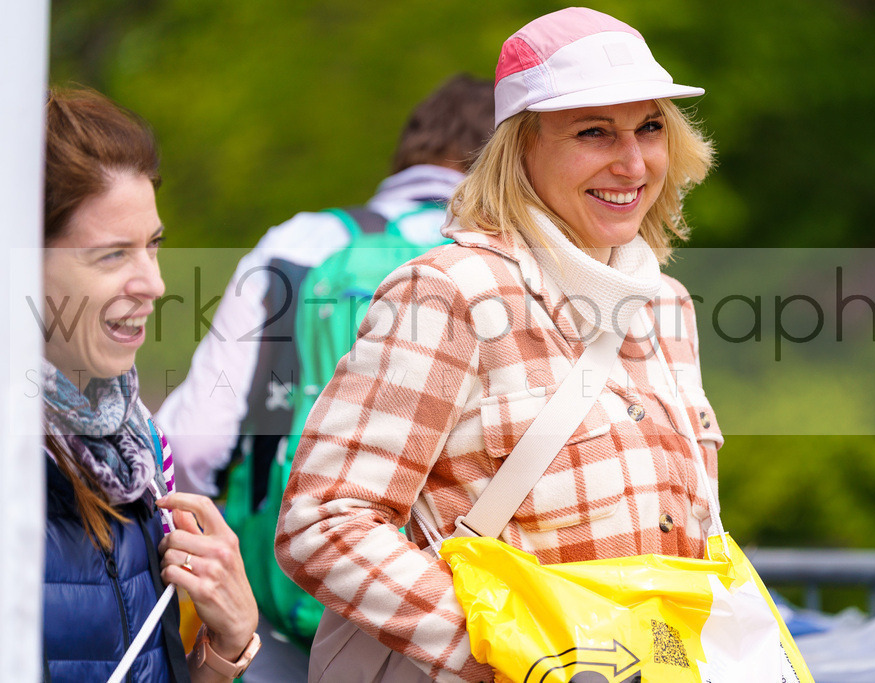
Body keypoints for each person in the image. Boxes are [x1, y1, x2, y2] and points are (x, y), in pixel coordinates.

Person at [277, 7, 721, 682]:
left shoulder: (667, 308)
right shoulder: (449, 292)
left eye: (650, 127)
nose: (632, 162)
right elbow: (322, 520)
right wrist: (513, 651)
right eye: (594, 132)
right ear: (521, 149)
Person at [155, 73, 495, 502]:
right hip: (446, 556)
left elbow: (192, 444)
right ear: (504, 166)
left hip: (284, 548)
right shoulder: (508, 258)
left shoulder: (297, 242)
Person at [41, 86, 260, 682]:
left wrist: (228, 643)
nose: (156, 284)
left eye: (154, 246)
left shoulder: (134, 450)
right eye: (113, 256)